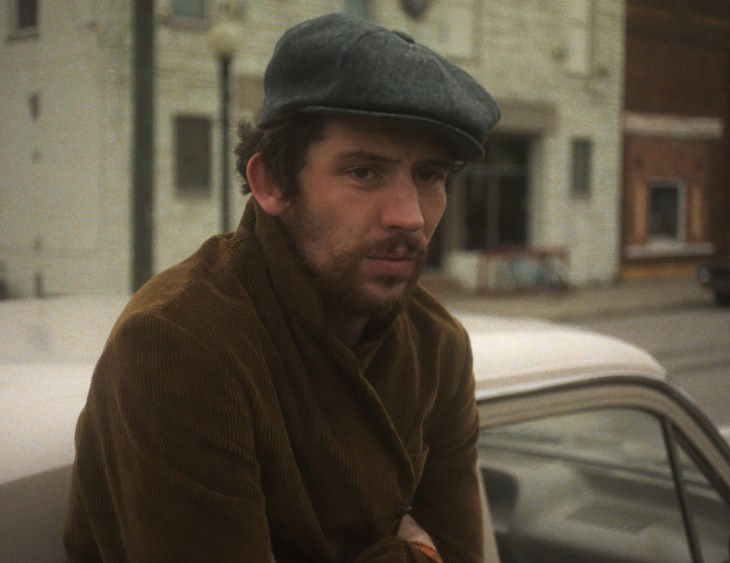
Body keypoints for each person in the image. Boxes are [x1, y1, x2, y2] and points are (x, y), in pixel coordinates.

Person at [64, 12, 500, 562]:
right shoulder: (181, 343)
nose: (410, 216)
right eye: (364, 172)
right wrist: (414, 554)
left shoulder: (436, 344)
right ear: (270, 182)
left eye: (430, 175)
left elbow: (462, 553)